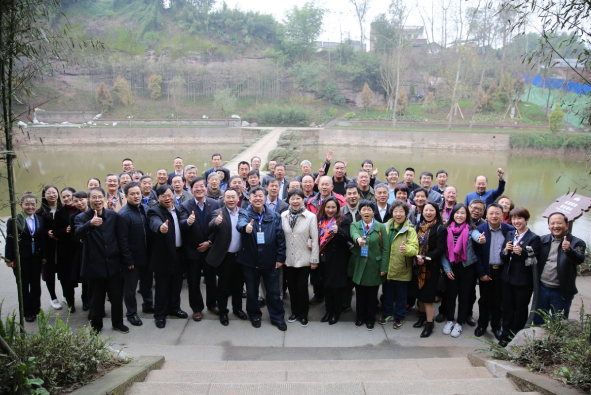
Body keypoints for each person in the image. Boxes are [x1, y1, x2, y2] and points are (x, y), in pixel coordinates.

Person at [75, 187, 128, 334]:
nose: (97, 200)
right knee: (96, 299)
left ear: (104, 199)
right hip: (94, 266)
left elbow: (121, 237)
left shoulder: (112, 215)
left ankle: (118, 323)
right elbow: (77, 233)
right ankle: (96, 325)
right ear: (88, 200)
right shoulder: (81, 218)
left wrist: (125, 260)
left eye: (100, 197)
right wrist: (90, 224)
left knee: (116, 297)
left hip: (114, 264)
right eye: (94, 197)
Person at [237, 187, 287, 330]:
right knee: (252, 292)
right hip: (250, 261)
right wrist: (246, 227)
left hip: (270, 261)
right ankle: (254, 315)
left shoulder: (274, 216)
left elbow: (280, 238)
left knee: (273, 291)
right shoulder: (244, 213)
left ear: (265, 198)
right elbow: (240, 224)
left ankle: (277, 317)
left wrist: (280, 257)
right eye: (255, 196)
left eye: (260, 196)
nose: (258, 198)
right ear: (250, 199)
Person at [179, 177, 220, 321]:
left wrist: (209, 242)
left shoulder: (214, 204)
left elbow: (218, 227)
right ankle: (196, 308)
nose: (199, 189)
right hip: (193, 251)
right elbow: (182, 224)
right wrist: (188, 222)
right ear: (191, 189)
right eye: (196, 186)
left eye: (202, 186)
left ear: (206, 187)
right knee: (194, 281)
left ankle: (212, 303)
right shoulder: (185, 205)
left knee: (211, 280)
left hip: (209, 249)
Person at [499, 207, 541, 346]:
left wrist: (522, 253)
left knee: (521, 309)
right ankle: (505, 335)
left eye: (519, 218)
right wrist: (505, 251)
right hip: (507, 279)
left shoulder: (533, 238)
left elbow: (534, 260)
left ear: (526, 219)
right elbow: (503, 256)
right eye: (514, 218)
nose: (516, 221)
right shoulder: (510, 234)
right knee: (507, 308)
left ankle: (517, 336)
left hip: (523, 281)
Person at [147, 185, 188, 329]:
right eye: (164, 196)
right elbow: (154, 222)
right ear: (158, 198)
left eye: (169, 195)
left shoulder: (177, 208)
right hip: (163, 256)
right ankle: (160, 315)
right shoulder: (154, 210)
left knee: (176, 285)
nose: (167, 198)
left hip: (178, 253)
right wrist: (160, 228)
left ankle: (174, 308)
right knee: (162, 287)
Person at [534, 212, 586, 324]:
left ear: (567, 225)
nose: (556, 226)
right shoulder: (542, 240)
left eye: (559, 223)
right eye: (552, 223)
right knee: (538, 319)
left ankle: (554, 342)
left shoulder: (577, 243)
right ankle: (537, 341)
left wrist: (569, 250)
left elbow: (580, 259)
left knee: (558, 323)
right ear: (548, 226)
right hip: (542, 288)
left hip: (561, 291)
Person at [207, 189, 248, 325]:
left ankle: (237, 309)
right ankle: (223, 312)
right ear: (223, 199)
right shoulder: (218, 213)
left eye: (233, 197)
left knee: (238, 285)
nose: (231, 200)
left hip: (240, 256)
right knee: (223, 286)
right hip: (225, 257)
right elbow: (211, 224)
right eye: (228, 197)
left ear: (238, 199)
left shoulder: (243, 212)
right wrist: (216, 222)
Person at [473, 203, 514, 340]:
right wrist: (481, 273)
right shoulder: (480, 229)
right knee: (484, 300)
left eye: (497, 213)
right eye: (491, 213)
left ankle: (496, 326)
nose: (494, 216)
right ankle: (482, 325)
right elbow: (476, 254)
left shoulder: (509, 230)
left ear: (503, 215)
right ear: (486, 215)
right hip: (486, 270)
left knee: (499, 300)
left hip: (502, 271)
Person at [4, 192, 46, 322]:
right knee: (23, 286)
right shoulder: (14, 220)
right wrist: (9, 259)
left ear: (36, 205)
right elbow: (10, 240)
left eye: (32, 204)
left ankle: (36, 309)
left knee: (36, 285)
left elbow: (42, 239)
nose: (30, 207)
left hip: (36, 258)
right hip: (21, 258)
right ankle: (27, 311)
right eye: (27, 204)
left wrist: (44, 256)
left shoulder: (39, 219)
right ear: (21, 204)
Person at [349, 200, 390, 330]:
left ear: (373, 212)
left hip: (374, 265)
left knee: (372, 296)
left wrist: (384, 267)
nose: (366, 212)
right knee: (360, 294)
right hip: (359, 265)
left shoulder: (380, 227)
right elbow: (354, 234)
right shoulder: (355, 225)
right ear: (359, 212)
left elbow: (385, 249)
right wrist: (358, 240)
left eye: (369, 209)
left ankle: (370, 318)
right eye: (363, 209)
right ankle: (360, 317)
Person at [281, 189, 319, 327]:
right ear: (289, 200)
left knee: (302, 288)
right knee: (291, 288)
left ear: (303, 200)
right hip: (288, 259)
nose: (295, 201)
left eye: (298, 198)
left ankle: (304, 314)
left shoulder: (310, 216)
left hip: (304, 259)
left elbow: (315, 239)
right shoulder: (283, 215)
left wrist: (314, 260)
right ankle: (294, 312)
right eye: (292, 198)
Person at [117, 182, 154, 327]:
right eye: (132, 194)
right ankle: (131, 313)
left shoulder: (145, 208)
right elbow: (122, 240)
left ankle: (148, 304)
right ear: (126, 196)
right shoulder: (123, 215)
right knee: (130, 288)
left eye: (138, 193)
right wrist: (127, 260)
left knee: (147, 283)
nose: (136, 196)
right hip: (132, 258)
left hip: (146, 255)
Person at [441, 203, 479, 338]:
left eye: (462, 213)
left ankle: (460, 323)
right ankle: (450, 320)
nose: (459, 215)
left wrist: (481, 238)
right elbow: (443, 252)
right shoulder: (446, 229)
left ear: (466, 215)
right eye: (457, 213)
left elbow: (477, 236)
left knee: (464, 297)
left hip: (467, 267)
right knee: (450, 296)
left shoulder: (471, 228)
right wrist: (446, 269)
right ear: (453, 214)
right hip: (451, 267)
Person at [381, 200, 419, 330]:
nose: (398, 214)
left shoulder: (410, 230)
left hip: (402, 269)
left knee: (401, 297)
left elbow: (415, 248)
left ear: (406, 213)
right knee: (387, 294)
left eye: (401, 211)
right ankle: (387, 314)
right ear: (392, 213)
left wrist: (406, 249)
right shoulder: (385, 226)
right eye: (395, 211)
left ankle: (399, 317)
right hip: (388, 268)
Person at [413, 202, 446, 338]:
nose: (428, 213)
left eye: (431, 210)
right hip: (417, 266)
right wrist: (416, 257)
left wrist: (425, 258)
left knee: (428, 297)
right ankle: (421, 316)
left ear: (436, 212)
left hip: (430, 267)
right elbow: (414, 243)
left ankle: (429, 323)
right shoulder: (418, 226)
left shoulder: (440, 229)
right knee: (419, 294)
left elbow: (440, 249)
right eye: (426, 210)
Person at [317, 197, 352, 325]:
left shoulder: (343, 220)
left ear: (337, 208)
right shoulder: (320, 220)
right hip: (324, 258)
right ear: (323, 207)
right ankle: (328, 311)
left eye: (333, 207)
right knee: (326, 287)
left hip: (338, 259)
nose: (330, 210)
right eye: (328, 207)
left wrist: (339, 231)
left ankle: (336, 313)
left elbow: (348, 237)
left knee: (336, 288)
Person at [36, 185, 63, 310]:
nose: (52, 195)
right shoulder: (39, 212)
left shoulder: (63, 208)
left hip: (62, 246)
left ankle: (67, 295)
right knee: (49, 273)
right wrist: (47, 233)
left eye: (54, 192)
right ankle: (53, 297)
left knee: (64, 272)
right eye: (49, 193)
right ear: (44, 195)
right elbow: (37, 230)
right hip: (48, 247)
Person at [53, 187, 78, 312]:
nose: (67, 199)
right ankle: (71, 303)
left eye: (69, 196)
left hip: (79, 249)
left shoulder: (81, 209)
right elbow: (55, 231)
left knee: (85, 277)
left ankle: (86, 301)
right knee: (66, 278)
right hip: (65, 250)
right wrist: (64, 231)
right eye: (64, 197)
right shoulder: (59, 213)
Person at [69, 191, 90, 311]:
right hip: (81, 249)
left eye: (81, 200)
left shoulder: (93, 212)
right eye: (76, 201)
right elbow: (73, 236)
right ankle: (85, 299)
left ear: (87, 199)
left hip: (95, 248)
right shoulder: (73, 217)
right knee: (84, 276)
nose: (79, 203)